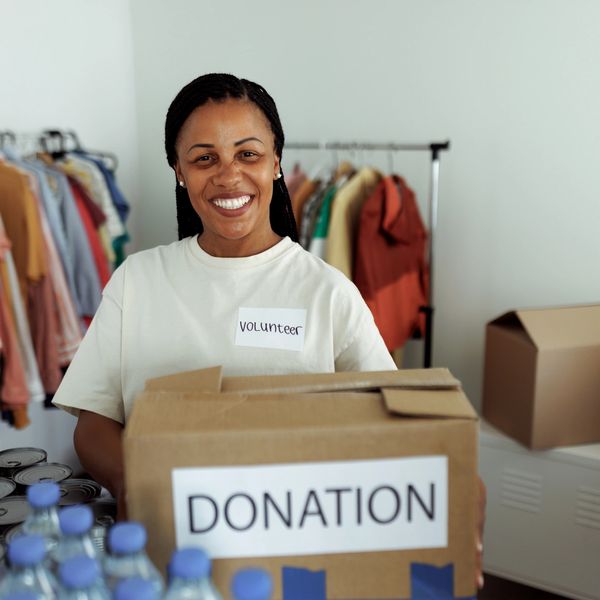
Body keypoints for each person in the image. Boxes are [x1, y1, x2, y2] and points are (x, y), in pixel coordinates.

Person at [52, 73, 484, 590]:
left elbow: (392, 424)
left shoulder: (327, 292)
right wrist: (142, 485)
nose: (228, 176)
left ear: (277, 162)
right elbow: (94, 420)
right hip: (166, 552)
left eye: (248, 154)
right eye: (204, 157)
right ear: (179, 172)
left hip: (295, 551)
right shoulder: (137, 281)